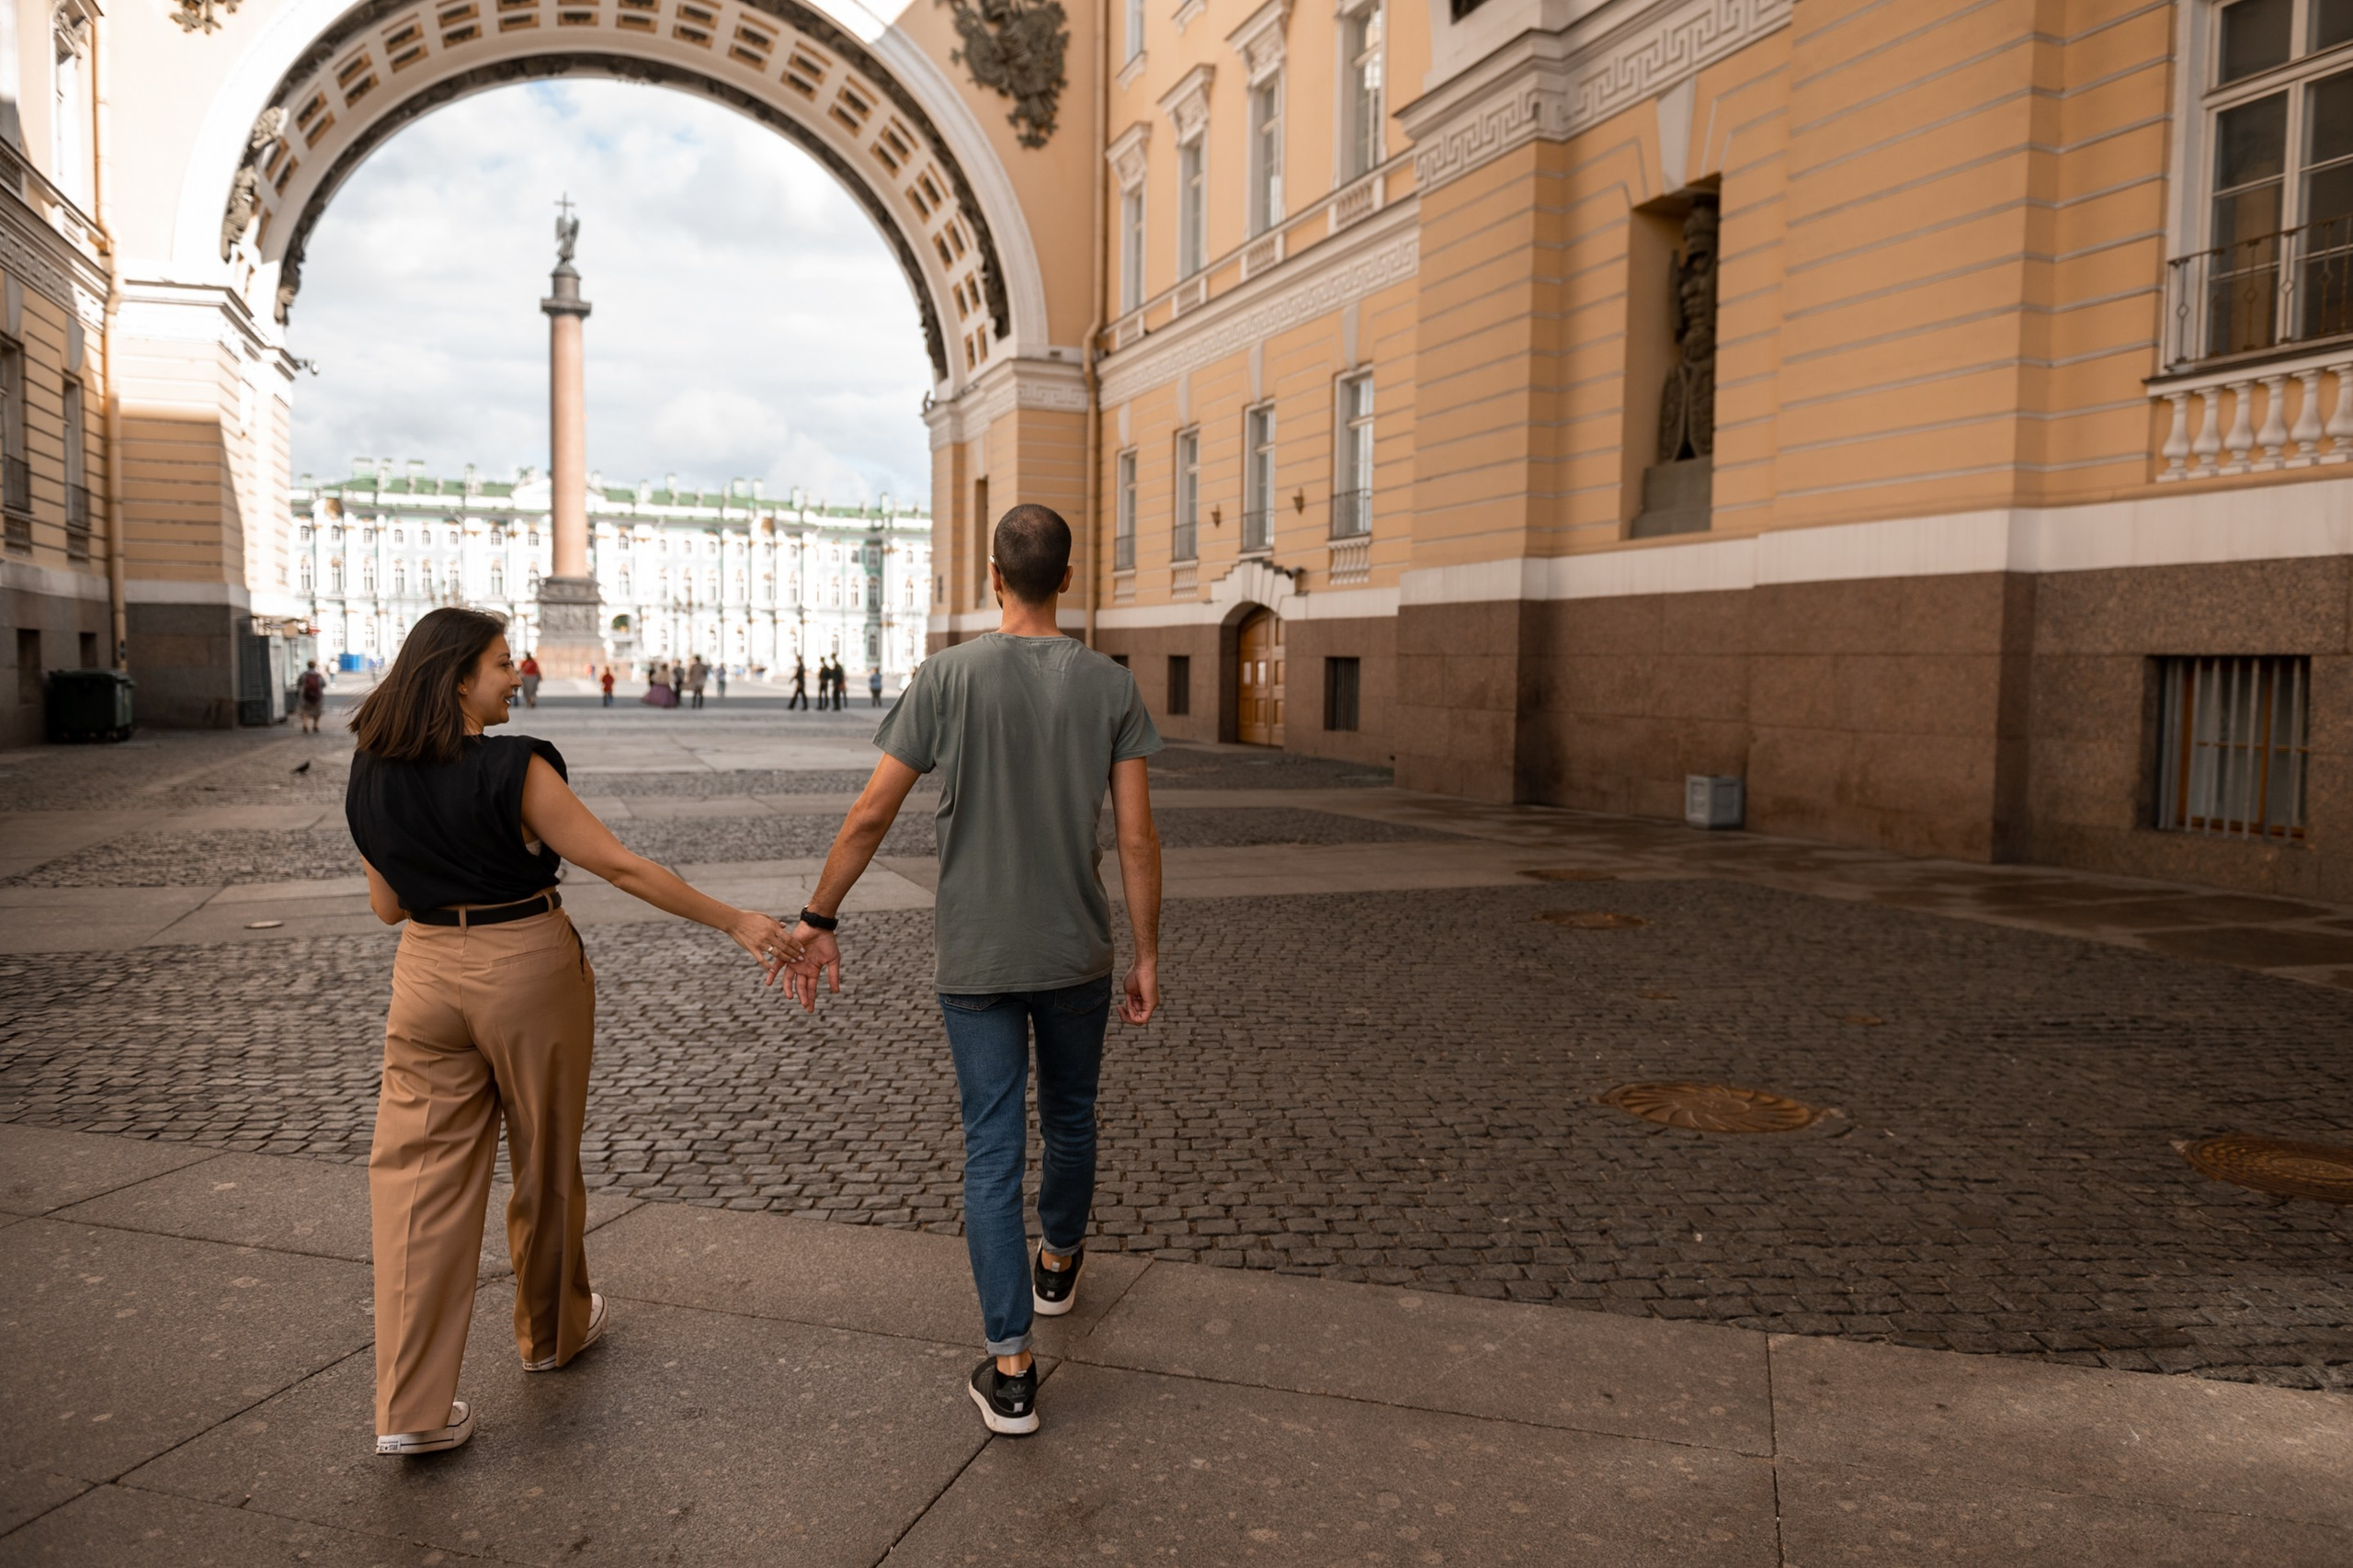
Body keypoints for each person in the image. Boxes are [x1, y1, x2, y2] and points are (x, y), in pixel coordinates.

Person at [346, 608, 797, 1459]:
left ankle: (409, 1407)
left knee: (412, 1185)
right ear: (457, 681)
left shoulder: (370, 768)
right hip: (524, 967)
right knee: (544, 1159)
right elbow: (618, 863)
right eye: (500, 663)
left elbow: (386, 906)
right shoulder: (515, 767)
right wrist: (734, 920)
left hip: (425, 977)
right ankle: (549, 1335)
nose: (516, 674)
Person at [784, 504, 1163, 1437]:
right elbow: (1137, 834)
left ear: (995, 575)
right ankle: (1060, 1259)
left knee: (993, 1145)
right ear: (1066, 578)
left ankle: (1011, 1364)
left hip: (979, 954)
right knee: (1071, 1116)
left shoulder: (946, 677)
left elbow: (871, 811)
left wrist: (817, 914)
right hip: (1076, 949)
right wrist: (1148, 950)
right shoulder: (1110, 685)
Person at [297, 660, 327, 733]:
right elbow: (324, 684)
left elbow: (299, 683)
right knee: (317, 710)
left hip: (304, 696)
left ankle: (305, 724)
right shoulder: (318, 675)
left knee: (304, 710)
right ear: (315, 666)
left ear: (307, 665)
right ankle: (315, 725)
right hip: (317, 696)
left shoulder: (304, 675)